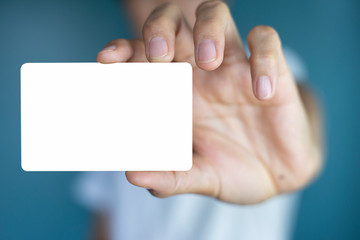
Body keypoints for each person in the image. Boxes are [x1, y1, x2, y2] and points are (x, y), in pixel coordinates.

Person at [75, 0, 323, 239]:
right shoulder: (115, 102)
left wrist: (301, 156)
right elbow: (105, 222)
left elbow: (305, 122)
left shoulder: (269, 73)